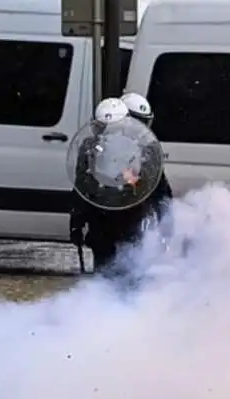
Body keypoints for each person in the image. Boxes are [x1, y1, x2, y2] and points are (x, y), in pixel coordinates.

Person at [69, 95, 172, 277]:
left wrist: (165, 223)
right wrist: (76, 223)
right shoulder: (90, 149)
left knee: (130, 275)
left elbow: (158, 189)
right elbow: (82, 189)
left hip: (131, 223)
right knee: (105, 277)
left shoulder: (144, 150)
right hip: (102, 225)